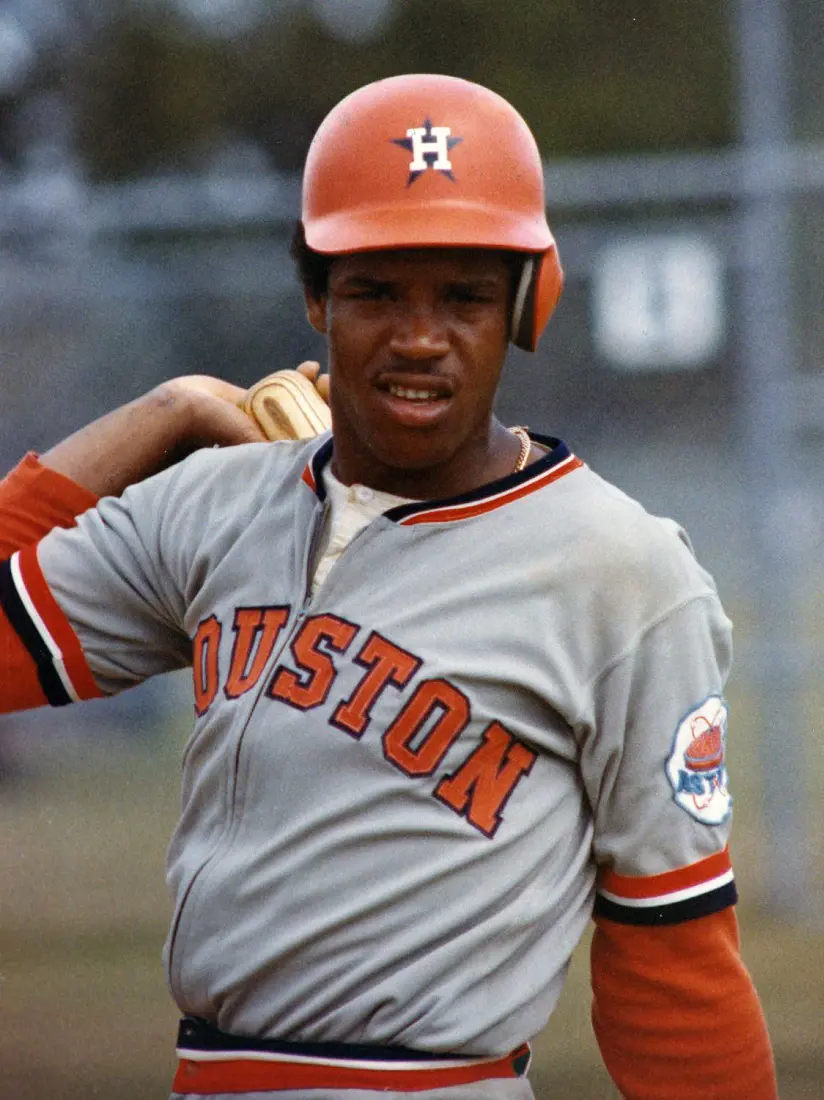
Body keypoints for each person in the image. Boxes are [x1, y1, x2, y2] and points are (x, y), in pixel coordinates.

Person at [0, 74, 777, 1100]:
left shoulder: (622, 571)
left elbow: (672, 962)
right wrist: (169, 408)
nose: (418, 337)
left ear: (524, 305)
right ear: (316, 297)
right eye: (375, 290)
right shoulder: (213, 504)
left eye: (461, 294)